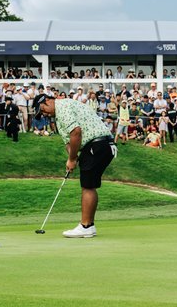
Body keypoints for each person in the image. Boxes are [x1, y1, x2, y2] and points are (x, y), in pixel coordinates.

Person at [34, 93, 117, 238]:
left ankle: (86, 226)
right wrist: (72, 158)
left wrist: (72, 159)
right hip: (98, 146)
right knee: (89, 184)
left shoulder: (63, 106)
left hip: (97, 144)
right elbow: (69, 142)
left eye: (42, 110)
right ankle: (88, 225)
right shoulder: (59, 117)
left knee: (88, 186)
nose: (44, 114)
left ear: (47, 100)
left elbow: (76, 132)